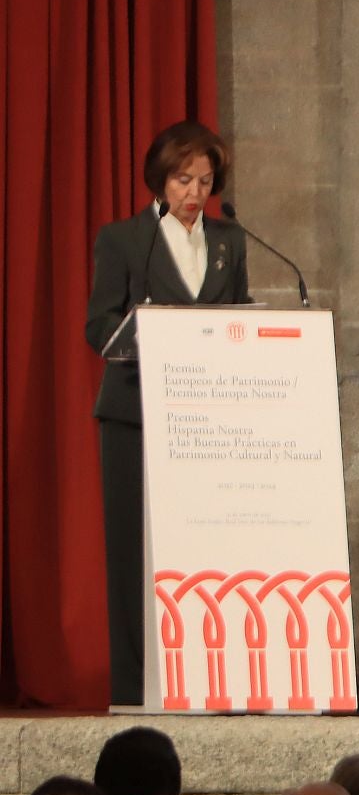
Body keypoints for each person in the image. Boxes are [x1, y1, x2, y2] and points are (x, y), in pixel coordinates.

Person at [84, 122, 252, 706]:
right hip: (136, 415)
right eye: (184, 179)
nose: (194, 192)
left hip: (208, 416)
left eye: (205, 181)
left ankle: (207, 683)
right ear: (161, 178)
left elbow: (238, 316)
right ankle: (134, 691)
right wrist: (143, 332)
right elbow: (99, 325)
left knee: (207, 551)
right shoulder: (124, 239)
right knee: (136, 553)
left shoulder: (231, 240)